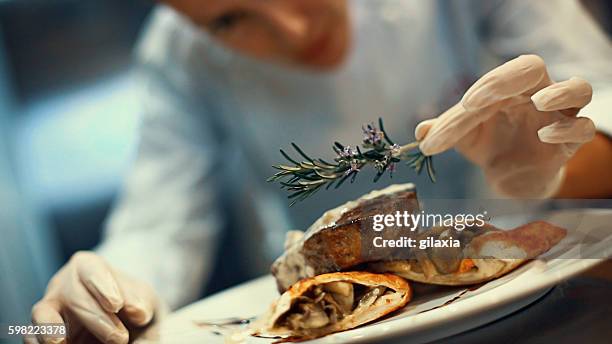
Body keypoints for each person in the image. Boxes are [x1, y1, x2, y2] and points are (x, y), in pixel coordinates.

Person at [29, 1, 612, 343]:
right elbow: (161, 225)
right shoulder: (177, 52)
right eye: (229, 21)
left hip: (552, 306)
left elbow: (603, 103)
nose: (294, 31)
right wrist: (109, 290)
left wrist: (552, 168)